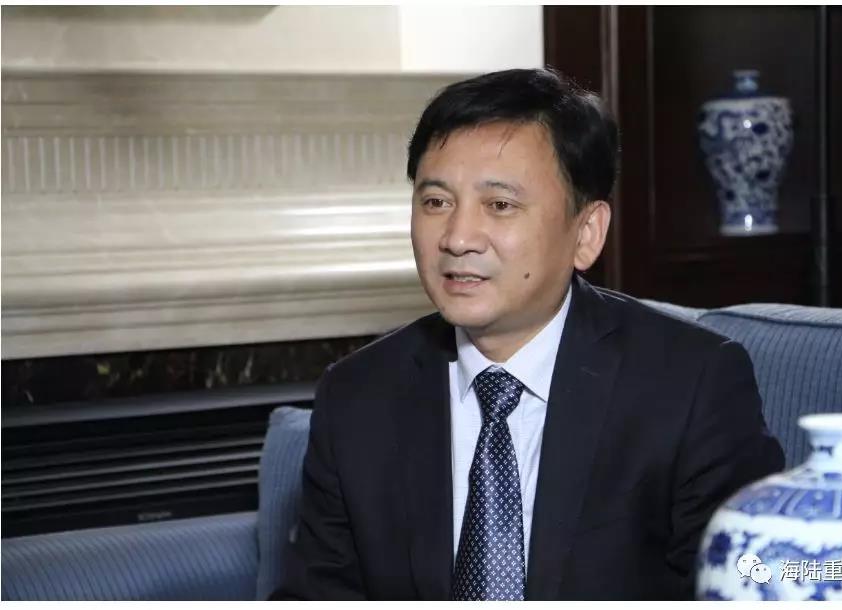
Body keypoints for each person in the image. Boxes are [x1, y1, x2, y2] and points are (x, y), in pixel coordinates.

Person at [272, 68, 785, 600]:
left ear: (586, 233)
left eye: (500, 205)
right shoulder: (358, 396)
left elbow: (757, 582)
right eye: (436, 202)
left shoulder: (690, 385)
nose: (457, 238)